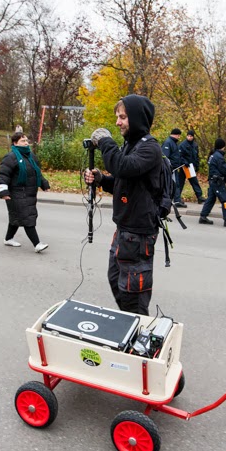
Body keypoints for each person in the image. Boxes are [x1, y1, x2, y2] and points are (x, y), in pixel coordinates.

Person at [84, 95, 162, 315]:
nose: (118, 122)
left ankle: (140, 330)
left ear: (137, 118)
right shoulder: (130, 146)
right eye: (118, 117)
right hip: (124, 231)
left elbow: (123, 167)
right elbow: (124, 181)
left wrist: (105, 141)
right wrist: (101, 179)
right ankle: (130, 324)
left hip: (138, 235)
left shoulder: (150, 148)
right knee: (116, 280)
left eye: (123, 117)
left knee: (132, 294)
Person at [0, 132, 50, 253]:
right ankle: (37, 244)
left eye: (26, 140)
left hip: (30, 192)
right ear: (15, 143)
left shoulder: (30, 156)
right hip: (16, 193)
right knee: (27, 217)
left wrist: (44, 184)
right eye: (23, 141)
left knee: (16, 218)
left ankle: (8, 239)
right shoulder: (10, 157)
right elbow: (4, 175)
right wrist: (3, 191)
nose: (26, 143)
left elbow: (37, 172)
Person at [198, 138, 226, 227]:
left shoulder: (213, 155)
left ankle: (203, 216)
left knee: (211, 199)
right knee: (225, 200)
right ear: (222, 146)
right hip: (218, 182)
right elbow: (224, 168)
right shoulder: (218, 157)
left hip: (213, 180)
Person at [176, 129, 204, 205]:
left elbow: (196, 156)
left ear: (193, 137)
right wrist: (184, 162)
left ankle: (199, 196)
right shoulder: (182, 145)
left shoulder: (195, 145)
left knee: (194, 182)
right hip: (184, 166)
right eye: (188, 136)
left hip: (191, 166)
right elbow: (180, 156)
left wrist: (197, 165)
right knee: (181, 182)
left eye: (191, 136)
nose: (189, 137)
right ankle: (177, 198)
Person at [161, 128, 185, 207]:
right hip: (171, 168)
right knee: (174, 184)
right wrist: (169, 167)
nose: (179, 137)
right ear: (176, 135)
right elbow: (165, 157)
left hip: (174, 168)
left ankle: (176, 200)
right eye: (179, 136)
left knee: (175, 184)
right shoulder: (168, 143)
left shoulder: (173, 143)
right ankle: (176, 201)